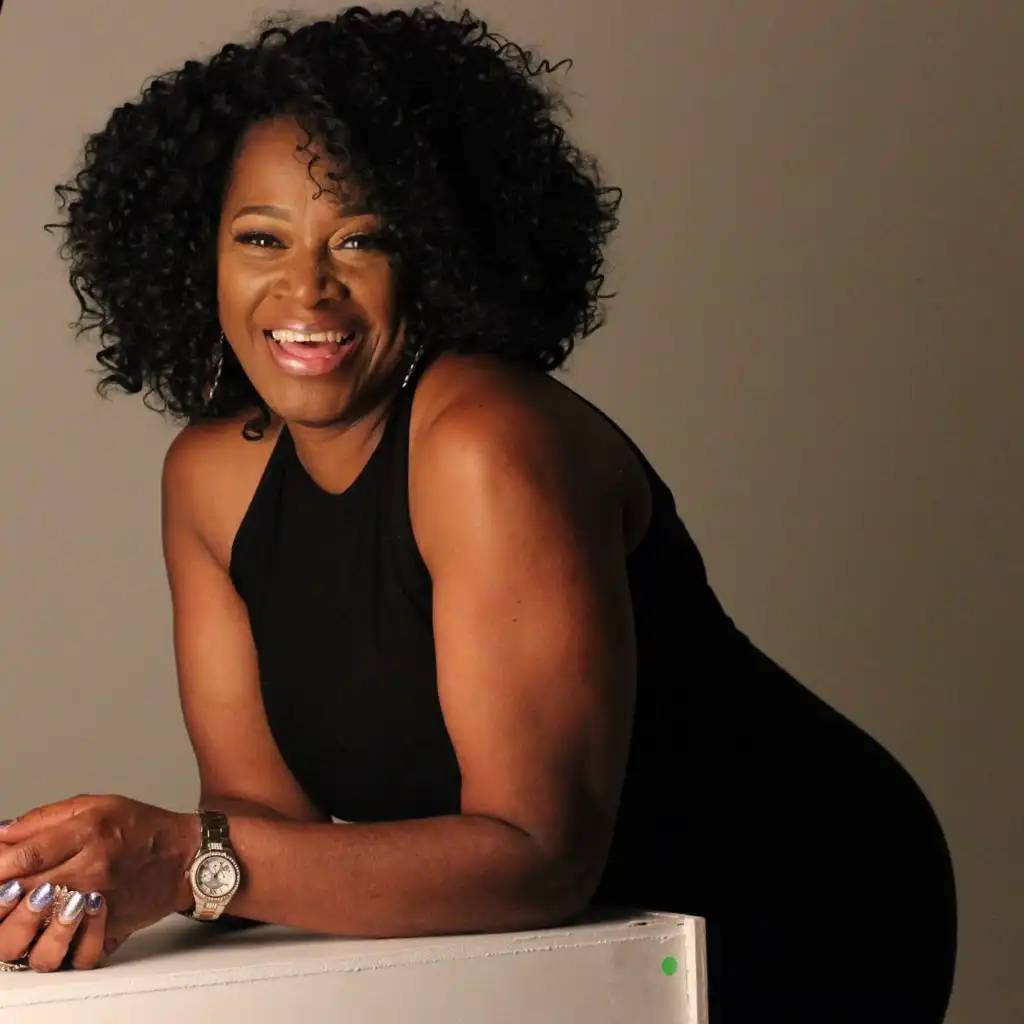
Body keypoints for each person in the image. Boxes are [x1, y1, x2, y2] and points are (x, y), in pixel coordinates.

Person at [0, 7, 956, 1020]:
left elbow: (538, 856)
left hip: (787, 898)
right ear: (201, 259)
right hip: (551, 946)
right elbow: (261, 826)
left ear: (437, 253)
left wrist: (178, 857)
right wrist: (64, 880)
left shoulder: (488, 441)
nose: (306, 289)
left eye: (361, 239)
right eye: (260, 239)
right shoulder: (207, 477)